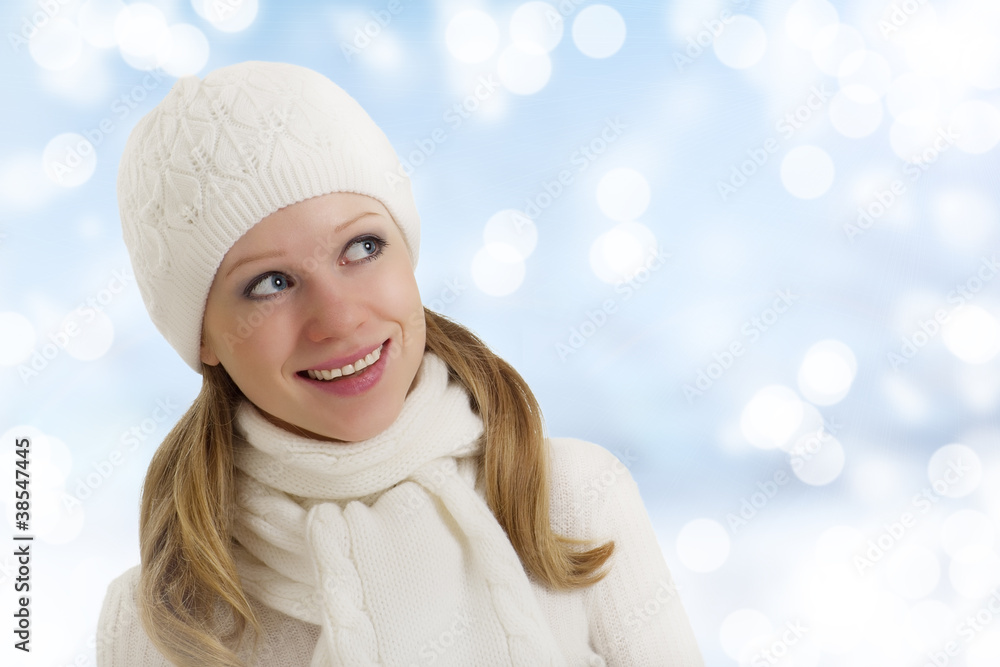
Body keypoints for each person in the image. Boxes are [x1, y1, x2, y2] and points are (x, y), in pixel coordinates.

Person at [97, 60, 704, 667]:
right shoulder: (164, 620)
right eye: (270, 283)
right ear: (202, 337)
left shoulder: (571, 499)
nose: (338, 319)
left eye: (362, 248)